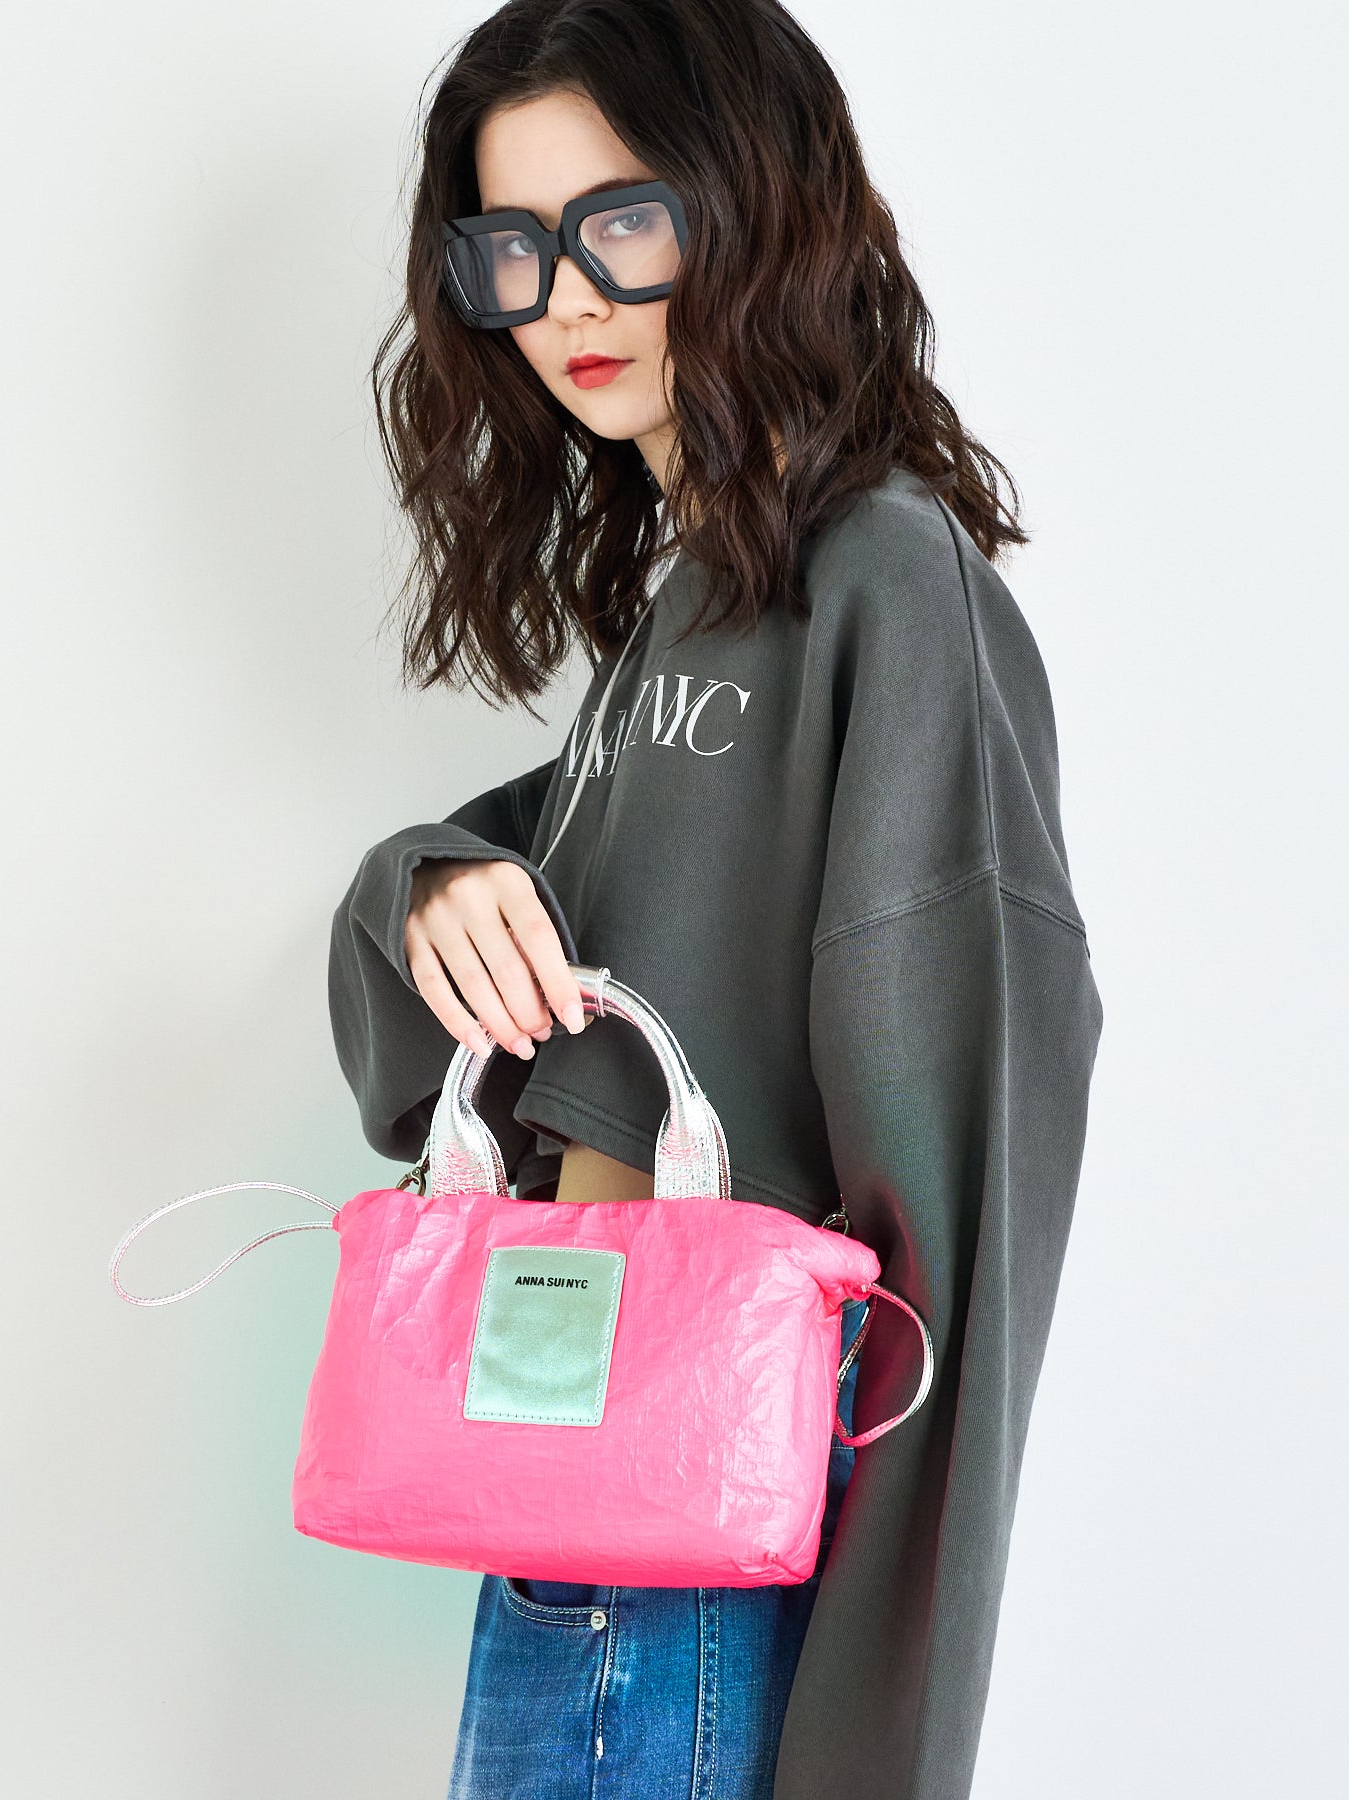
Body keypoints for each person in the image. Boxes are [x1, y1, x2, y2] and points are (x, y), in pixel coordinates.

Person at [327, 3, 1104, 1796]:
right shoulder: (680, 619)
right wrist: (425, 883)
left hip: (702, 1538)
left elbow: (963, 1188)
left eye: (623, 223)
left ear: (758, 204)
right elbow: (483, 940)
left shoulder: (881, 580)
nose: (565, 301)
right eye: (512, 250)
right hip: (558, 1489)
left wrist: (878, 1722)